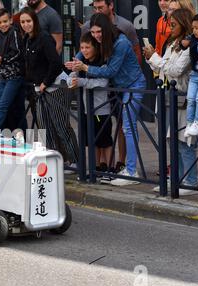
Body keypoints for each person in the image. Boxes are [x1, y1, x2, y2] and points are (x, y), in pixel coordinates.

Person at [67, 13, 146, 186]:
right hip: (117, 89)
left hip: (133, 85)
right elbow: (83, 52)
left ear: (107, 28)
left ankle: (131, 171)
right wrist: (75, 63)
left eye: (98, 31)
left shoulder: (121, 43)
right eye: (93, 32)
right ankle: (120, 169)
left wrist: (85, 67)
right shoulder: (102, 40)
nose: (96, 36)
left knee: (128, 127)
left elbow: (110, 71)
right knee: (121, 127)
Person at [145, 8, 198, 195]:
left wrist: (156, 59)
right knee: (173, 141)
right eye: (169, 24)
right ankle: (177, 179)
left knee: (185, 141)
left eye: (173, 24)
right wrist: (151, 58)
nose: (170, 27)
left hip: (184, 97)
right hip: (170, 97)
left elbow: (175, 70)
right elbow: (164, 69)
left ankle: (191, 182)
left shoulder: (188, 45)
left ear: (183, 24)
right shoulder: (172, 43)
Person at [21, 7, 78, 165]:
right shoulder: (26, 39)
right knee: (45, 128)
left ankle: (75, 162)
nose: (26, 25)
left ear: (35, 21)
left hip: (55, 86)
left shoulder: (44, 37)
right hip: (38, 90)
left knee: (60, 125)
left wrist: (45, 82)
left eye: (29, 21)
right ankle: (55, 162)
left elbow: (55, 63)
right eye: (23, 22)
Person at [67, 32, 111, 174]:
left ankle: (109, 169)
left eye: (87, 47)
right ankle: (95, 167)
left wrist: (81, 82)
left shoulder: (102, 63)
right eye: (82, 47)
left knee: (104, 140)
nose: (84, 50)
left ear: (95, 48)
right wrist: (73, 77)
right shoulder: (81, 63)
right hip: (86, 108)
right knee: (92, 140)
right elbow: (70, 78)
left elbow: (103, 82)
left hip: (101, 108)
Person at [0, 8, 24, 132]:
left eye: (5, 21)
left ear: (11, 20)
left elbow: (18, 52)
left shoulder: (13, 32)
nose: (3, 25)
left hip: (14, 76)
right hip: (3, 75)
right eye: (0, 22)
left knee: (2, 106)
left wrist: (2, 59)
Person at [81, 0, 142, 65]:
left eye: (100, 8)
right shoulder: (87, 26)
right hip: (94, 70)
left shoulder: (126, 26)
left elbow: (136, 52)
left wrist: (134, 72)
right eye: (95, 8)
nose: (97, 11)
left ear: (111, 5)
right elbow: (82, 50)